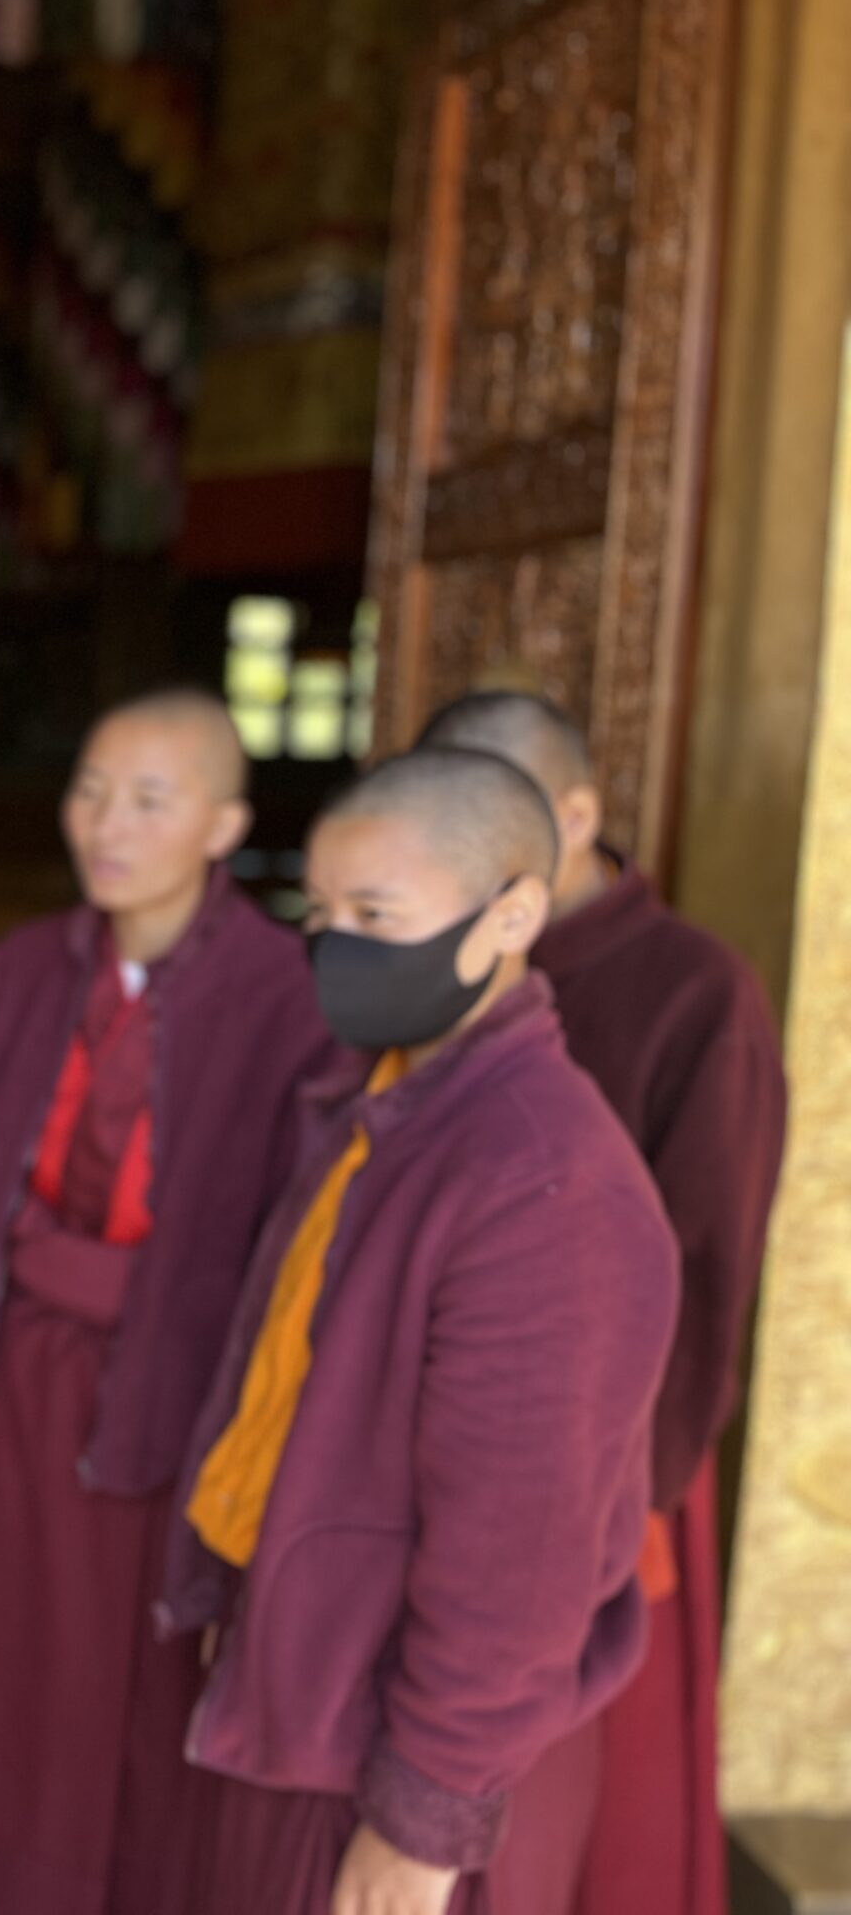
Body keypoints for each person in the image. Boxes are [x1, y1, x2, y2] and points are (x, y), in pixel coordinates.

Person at [169, 747, 679, 1915]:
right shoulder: (391, 1106)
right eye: (321, 914)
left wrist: (424, 1817)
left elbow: (518, 1553)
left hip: (412, 1765)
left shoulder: (542, 1182)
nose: (336, 945)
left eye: (375, 915)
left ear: (511, 916)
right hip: (319, 1698)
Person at [0, 688, 335, 1915]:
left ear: (224, 827)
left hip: (162, 1407)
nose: (105, 827)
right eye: (89, 791)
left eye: (148, 801)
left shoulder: (286, 996)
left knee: (112, 1706)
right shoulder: (28, 966)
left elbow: (294, 1249)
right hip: (5, 1374)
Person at [417, 690, 784, 1915]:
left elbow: (708, 1266)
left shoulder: (693, 991)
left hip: (612, 1472)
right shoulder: (441, 959)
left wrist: (628, 1502)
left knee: (572, 1828)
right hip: (438, 1453)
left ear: (575, 816)